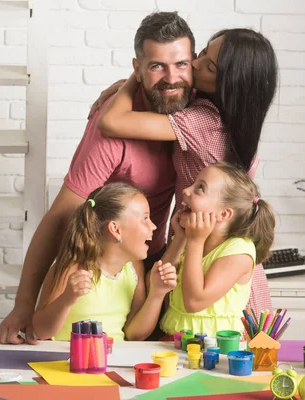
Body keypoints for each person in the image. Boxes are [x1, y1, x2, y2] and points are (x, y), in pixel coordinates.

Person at [0, 11, 195, 344]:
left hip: (159, 258)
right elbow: (61, 216)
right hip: (110, 261)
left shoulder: (198, 105)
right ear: (138, 68)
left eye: (181, 65)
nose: (172, 78)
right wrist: (24, 305)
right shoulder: (111, 129)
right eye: (157, 66)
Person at [98, 27, 278, 318]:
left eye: (207, 64)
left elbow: (112, 122)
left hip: (212, 280)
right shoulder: (235, 120)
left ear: (227, 83)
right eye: (204, 51)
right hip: (214, 265)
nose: (194, 62)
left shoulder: (203, 124)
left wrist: (135, 78)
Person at [33, 183, 177, 341]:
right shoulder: (73, 267)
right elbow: (40, 331)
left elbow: (134, 334)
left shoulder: (134, 268)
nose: (153, 226)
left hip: (113, 361)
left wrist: (157, 294)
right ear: (115, 229)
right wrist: (67, 299)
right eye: (145, 218)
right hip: (69, 362)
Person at [158, 162, 275, 337]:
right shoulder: (188, 239)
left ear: (224, 214)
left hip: (215, 349)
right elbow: (157, 280)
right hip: (175, 339)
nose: (186, 191)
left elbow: (194, 302)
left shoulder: (239, 251)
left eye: (200, 188)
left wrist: (195, 242)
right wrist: (181, 239)